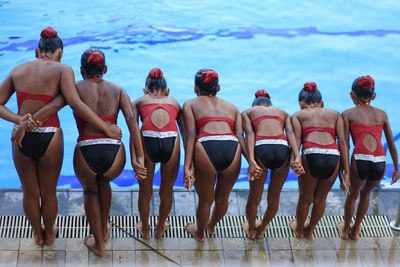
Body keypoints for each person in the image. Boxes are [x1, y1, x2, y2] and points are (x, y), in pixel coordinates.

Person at [0, 27, 121, 246]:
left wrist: (20, 121)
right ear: (61, 53)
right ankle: (50, 233)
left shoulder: (17, 70)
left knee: (30, 192)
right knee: (48, 192)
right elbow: (75, 103)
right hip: (50, 134)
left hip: (22, 135)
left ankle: (38, 234)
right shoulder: (63, 70)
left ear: (37, 51)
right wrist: (107, 127)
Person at [72, 49, 146, 256]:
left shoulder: (75, 88)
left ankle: (98, 244)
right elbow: (132, 121)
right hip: (114, 151)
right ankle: (103, 230)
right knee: (104, 182)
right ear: (105, 69)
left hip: (86, 148)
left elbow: (56, 104)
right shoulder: (118, 90)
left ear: (81, 70)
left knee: (90, 191)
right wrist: (139, 156)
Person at [182, 68, 246, 242]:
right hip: (232, 146)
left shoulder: (190, 104)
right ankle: (211, 226)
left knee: (205, 199)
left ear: (196, 89)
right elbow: (240, 136)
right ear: (218, 88)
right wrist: (252, 162)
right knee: (223, 197)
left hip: (206, 144)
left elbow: (190, 135)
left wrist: (187, 167)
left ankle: (200, 232)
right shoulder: (233, 108)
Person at [337, 75, 399, 240]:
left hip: (360, 158)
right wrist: (397, 168)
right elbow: (392, 144)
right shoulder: (382, 114)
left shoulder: (348, 114)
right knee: (366, 194)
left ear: (352, 95)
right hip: (380, 160)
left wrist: (345, 172)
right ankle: (356, 230)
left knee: (352, 195)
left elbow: (345, 144)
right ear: (373, 96)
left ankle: (345, 231)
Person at [289, 82, 350, 239]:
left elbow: (296, 139)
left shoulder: (297, 115)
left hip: (311, 153)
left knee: (305, 198)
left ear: (301, 104)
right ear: (321, 104)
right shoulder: (336, 114)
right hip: (333, 154)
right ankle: (310, 231)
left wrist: (295, 159)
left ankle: (299, 230)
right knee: (320, 199)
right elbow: (343, 142)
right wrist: (346, 172)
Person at [241, 89, 304, 239]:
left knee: (254, 197)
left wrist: (251, 160)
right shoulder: (283, 112)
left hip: (261, 147)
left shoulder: (247, 112)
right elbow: (290, 134)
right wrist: (296, 157)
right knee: (274, 198)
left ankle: (251, 230)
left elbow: (249, 134)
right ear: (270, 104)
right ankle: (262, 229)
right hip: (282, 148)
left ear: (255, 104)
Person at [132, 68, 183, 239]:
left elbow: (134, 131)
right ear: (167, 91)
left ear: (145, 90)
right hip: (171, 141)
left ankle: (145, 229)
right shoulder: (174, 102)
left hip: (148, 140)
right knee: (166, 191)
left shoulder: (139, 101)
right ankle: (160, 228)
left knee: (145, 193)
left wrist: (135, 159)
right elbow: (185, 133)